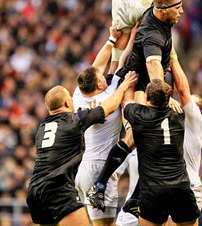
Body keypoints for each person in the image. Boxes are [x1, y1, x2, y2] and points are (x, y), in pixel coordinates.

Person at [87, 0, 202, 212]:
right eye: (177, 8)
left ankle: (136, 198)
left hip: (143, 83)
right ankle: (99, 185)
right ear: (163, 12)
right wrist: (163, 95)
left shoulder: (158, 8)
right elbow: (153, 66)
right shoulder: (153, 36)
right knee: (138, 137)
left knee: (149, 139)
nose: (181, 11)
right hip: (136, 83)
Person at [26, 72, 137, 226]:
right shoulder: (74, 120)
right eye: (69, 99)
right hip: (58, 189)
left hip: (34, 191)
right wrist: (124, 86)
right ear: (66, 103)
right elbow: (110, 106)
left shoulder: (42, 128)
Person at [73, 26, 137, 226]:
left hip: (84, 168)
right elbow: (123, 60)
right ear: (99, 85)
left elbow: (99, 64)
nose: (105, 76)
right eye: (102, 78)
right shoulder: (110, 95)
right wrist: (135, 33)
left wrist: (111, 39)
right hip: (100, 169)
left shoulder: (79, 94)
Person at [122, 78, 200, 226]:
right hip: (180, 186)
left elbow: (127, 102)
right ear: (168, 99)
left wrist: (129, 82)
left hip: (153, 189)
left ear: (147, 98)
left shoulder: (139, 115)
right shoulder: (179, 115)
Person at [165, 51, 202, 226]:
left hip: (188, 189)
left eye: (191, 102)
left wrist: (173, 57)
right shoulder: (179, 122)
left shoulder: (196, 121)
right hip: (177, 188)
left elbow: (182, 90)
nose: (185, 103)